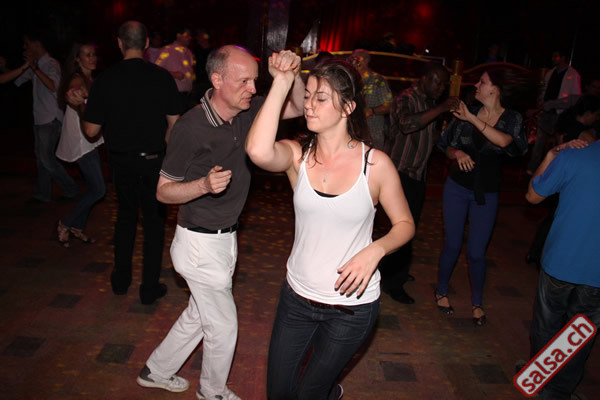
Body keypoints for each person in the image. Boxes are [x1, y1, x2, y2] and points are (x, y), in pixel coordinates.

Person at [136, 46, 305, 400]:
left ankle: (156, 371)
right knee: (224, 325)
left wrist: (293, 74)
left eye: (254, 81)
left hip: (225, 239)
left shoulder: (249, 110)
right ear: (217, 80)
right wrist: (203, 185)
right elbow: (163, 192)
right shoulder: (191, 127)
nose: (252, 89)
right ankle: (211, 392)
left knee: (199, 316)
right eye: (243, 81)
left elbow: (297, 106)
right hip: (198, 245)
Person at [246, 58, 415, 399]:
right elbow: (258, 151)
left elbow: (405, 224)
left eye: (321, 98)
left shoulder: (375, 164)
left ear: (348, 107)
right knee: (278, 394)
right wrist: (282, 82)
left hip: (351, 308)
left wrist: (375, 250)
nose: (309, 104)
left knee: (310, 392)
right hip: (297, 299)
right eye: (308, 95)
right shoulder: (298, 156)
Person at [80, 21, 180, 305]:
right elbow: (175, 124)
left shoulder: (105, 79)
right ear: (146, 43)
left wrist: (79, 106)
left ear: (120, 43)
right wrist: (162, 149)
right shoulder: (162, 77)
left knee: (125, 218)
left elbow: (91, 131)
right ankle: (149, 288)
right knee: (154, 223)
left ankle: (121, 280)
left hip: (121, 162)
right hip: (153, 160)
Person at [434, 71, 527, 325]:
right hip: (456, 187)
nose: (476, 85)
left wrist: (472, 119)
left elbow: (505, 142)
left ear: (495, 89)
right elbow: (445, 145)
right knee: (453, 245)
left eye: (483, 82)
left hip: (486, 193)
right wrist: (457, 154)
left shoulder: (511, 118)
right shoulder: (467, 113)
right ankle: (441, 291)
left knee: (476, 252)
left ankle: (477, 303)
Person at [524, 138, 599, 400]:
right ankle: (558, 392)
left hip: (562, 260)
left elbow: (533, 196)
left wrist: (551, 155)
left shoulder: (575, 156)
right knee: (580, 334)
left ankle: (540, 380)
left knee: (547, 325)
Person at [381, 63, 459, 305]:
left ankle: (394, 271)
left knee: (408, 227)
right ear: (424, 78)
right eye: (437, 82)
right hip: (399, 173)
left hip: (417, 174)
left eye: (444, 84)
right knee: (401, 228)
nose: (441, 87)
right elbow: (407, 124)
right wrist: (440, 109)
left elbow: (428, 136)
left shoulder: (428, 101)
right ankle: (393, 282)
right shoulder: (406, 98)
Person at [13, 30, 79, 203]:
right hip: (41, 118)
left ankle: (71, 189)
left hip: (50, 120)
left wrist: (35, 68)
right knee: (42, 160)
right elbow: (17, 80)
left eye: (27, 44)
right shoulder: (38, 65)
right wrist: (6, 67)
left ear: (37, 44)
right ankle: (43, 194)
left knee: (46, 159)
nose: (25, 47)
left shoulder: (50, 64)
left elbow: (53, 85)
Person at [55, 42, 105, 247]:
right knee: (99, 189)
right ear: (77, 59)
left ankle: (77, 227)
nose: (92, 58)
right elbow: (73, 91)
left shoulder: (90, 79)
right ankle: (65, 223)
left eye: (94, 54)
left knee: (94, 187)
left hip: (89, 138)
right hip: (81, 140)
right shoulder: (78, 79)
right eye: (87, 55)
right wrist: (76, 97)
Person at [527, 49, 581, 174]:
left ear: (563, 57)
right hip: (546, 113)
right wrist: (540, 106)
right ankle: (532, 169)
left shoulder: (573, 75)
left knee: (558, 144)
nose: (553, 58)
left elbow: (575, 99)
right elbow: (544, 92)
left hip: (561, 115)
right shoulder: (550, 73)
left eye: (556, 56)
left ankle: (554, 172)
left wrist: (554, 104)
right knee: (539, 142)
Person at [349, 49, 392, 151]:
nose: (354, 61)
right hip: (353, 133)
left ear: (366, 60)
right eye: (352, 58)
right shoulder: (350, 79)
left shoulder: (378, 80)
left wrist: (371, 111)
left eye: (357, 58)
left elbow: (389, 106)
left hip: (372, 134)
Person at [155, 25, 196, 111]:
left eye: (190, 36)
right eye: (187, 35)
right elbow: (156, 70)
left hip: (187, 96)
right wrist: (174, 74)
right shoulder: (167, 50)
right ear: (178, 35)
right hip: (173, 95)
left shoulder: (188, 52)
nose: (190, 38)